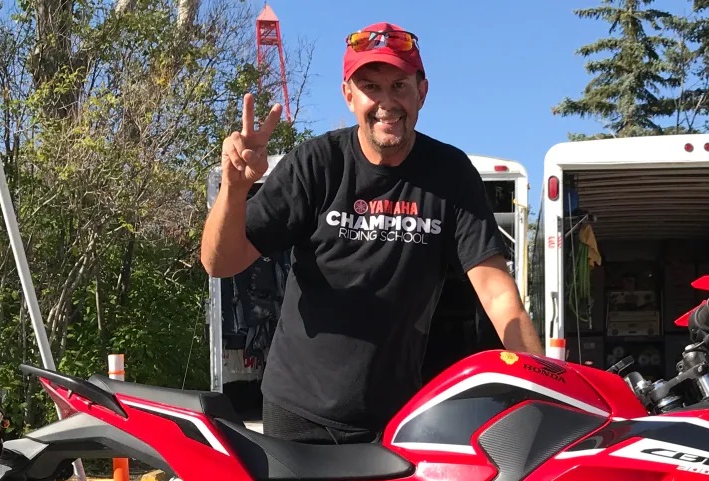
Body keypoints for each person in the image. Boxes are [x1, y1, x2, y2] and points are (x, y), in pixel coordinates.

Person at [201, 22, 544, 445]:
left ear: (422, 91)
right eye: (371, 87)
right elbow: (220, 262)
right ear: (349, 95)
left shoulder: (450, 174)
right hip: (298, 412)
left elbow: (498, 294)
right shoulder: (316, 164)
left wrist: (543, 386)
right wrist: (234, 191)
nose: (386, 103)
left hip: (398, 418)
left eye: (399, 85)